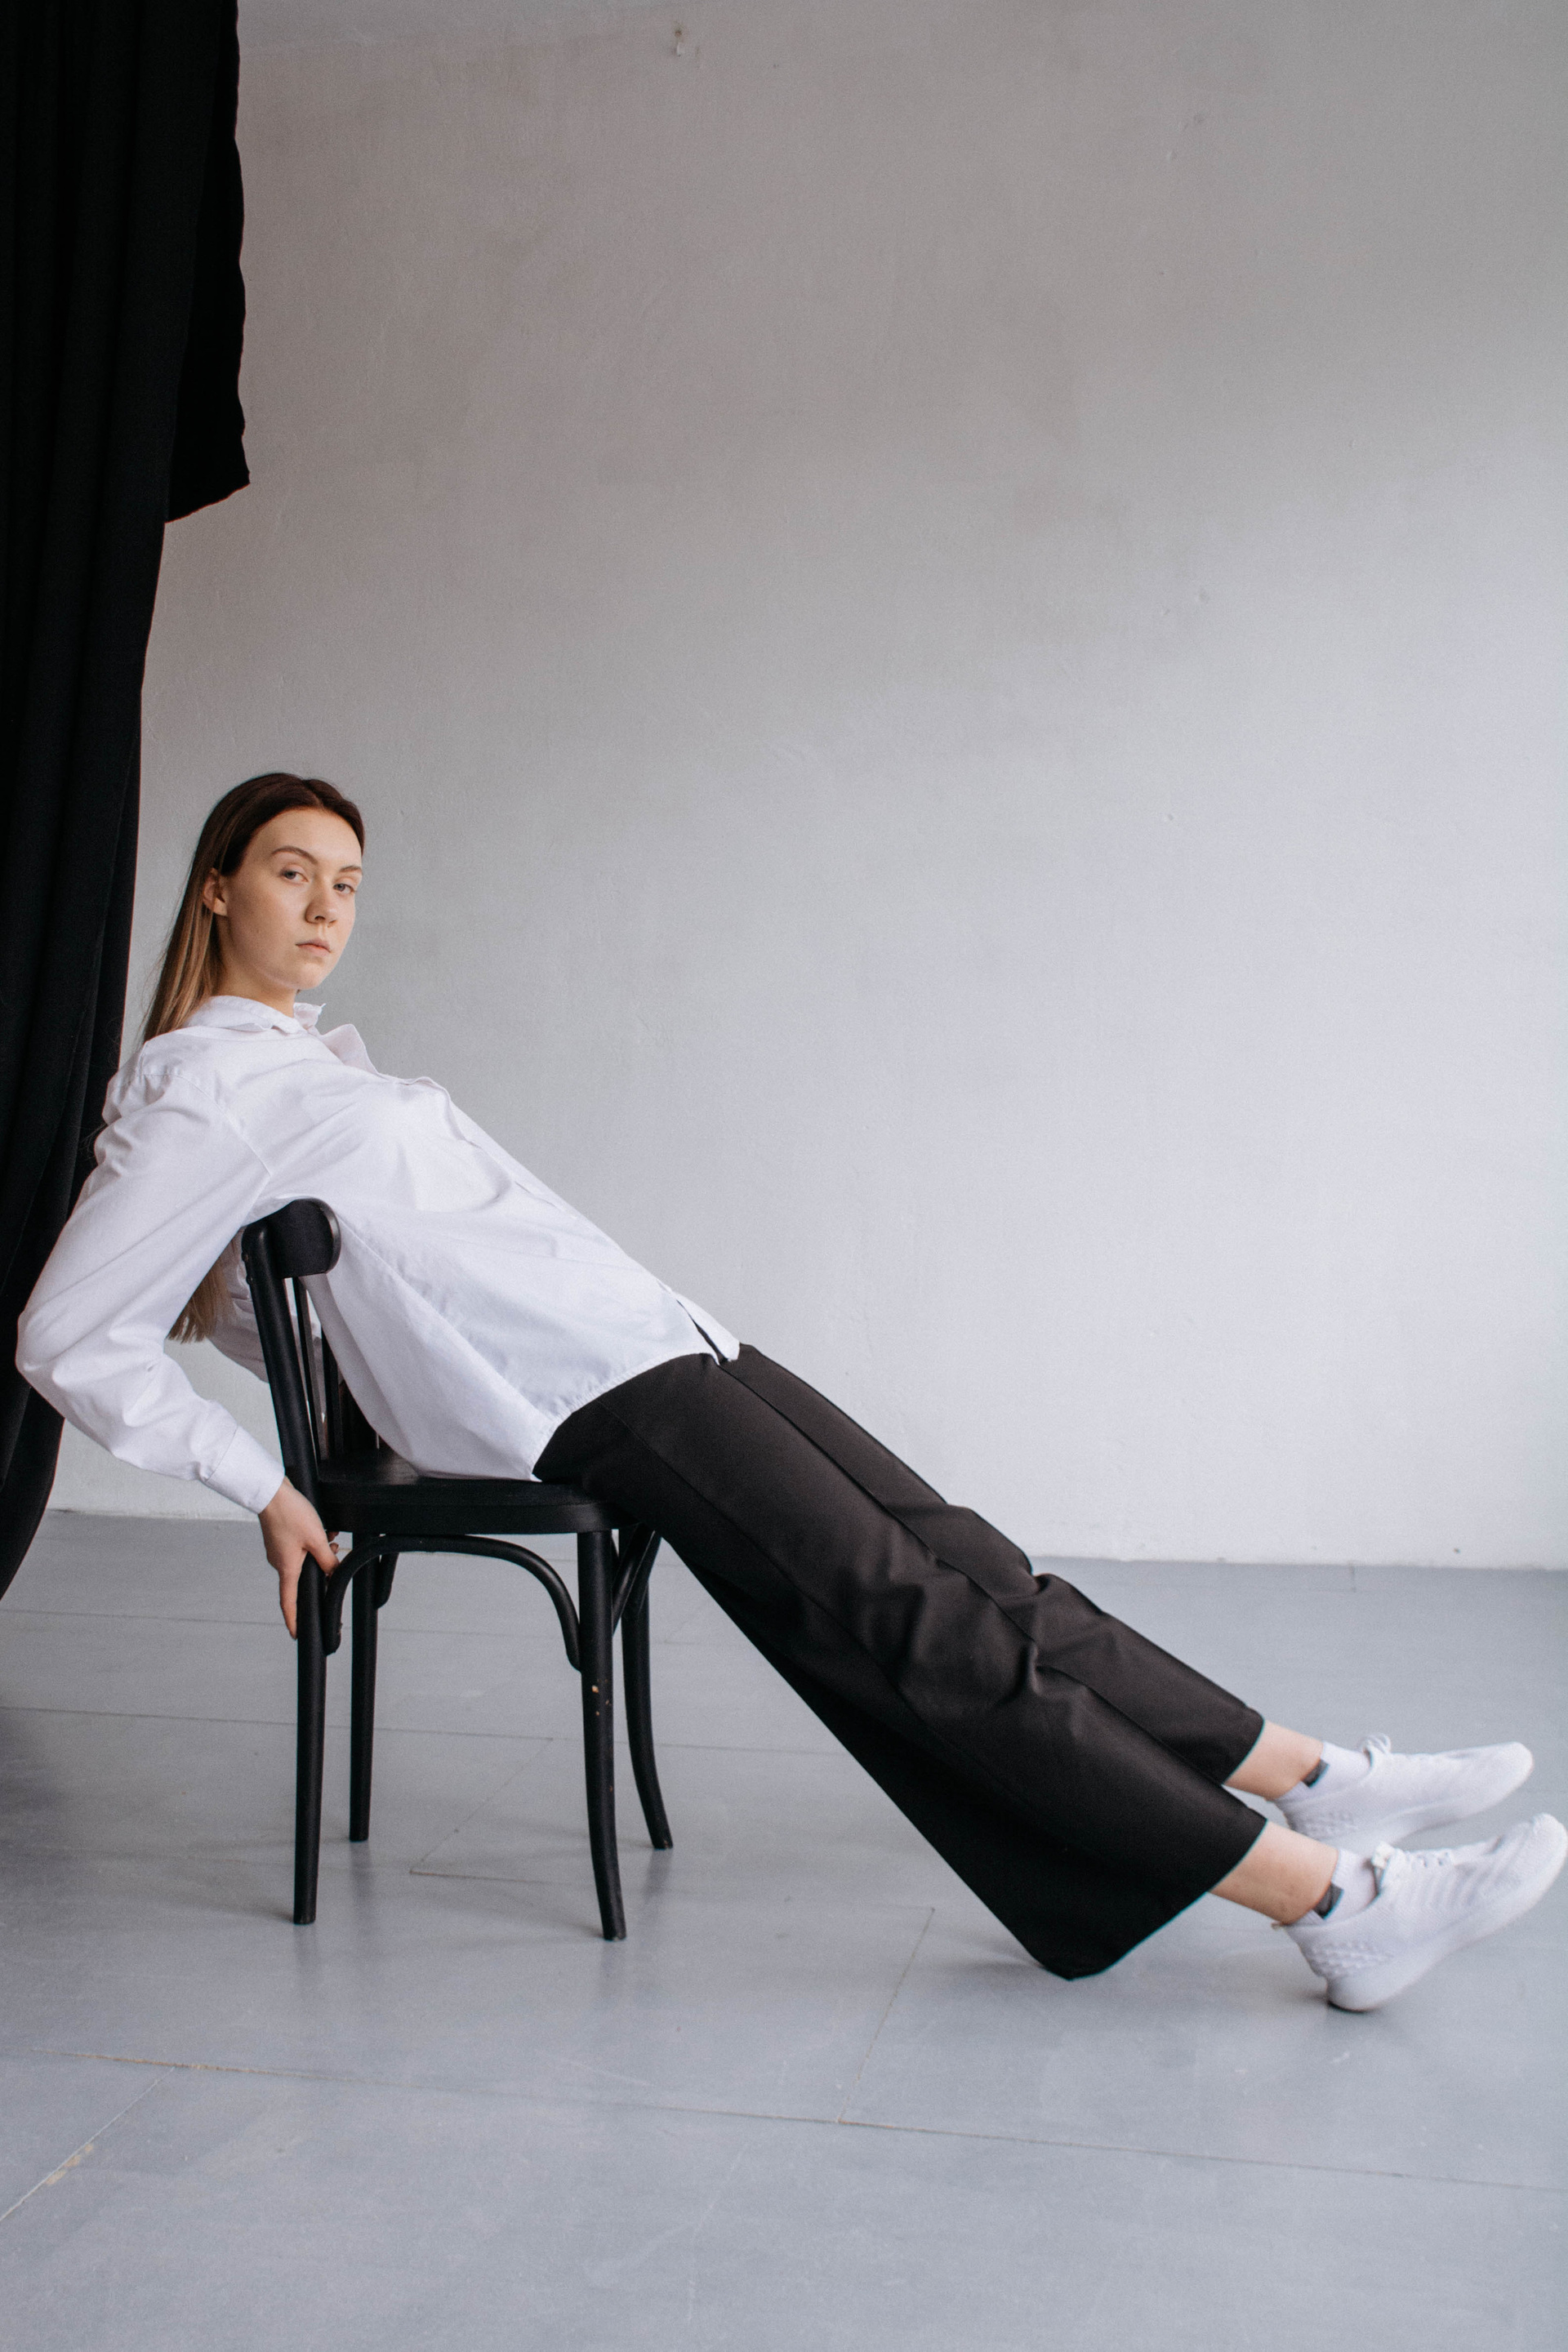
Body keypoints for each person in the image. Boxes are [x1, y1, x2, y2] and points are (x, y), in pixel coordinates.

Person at [16, 772, 1563, 2013]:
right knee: (916, 1627)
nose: (324, 909)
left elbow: (286, 1311)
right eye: (292, 872)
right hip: (576, 1395)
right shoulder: (204, 1088)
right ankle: (1334, 1904)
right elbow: (72, 1333)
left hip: (653, 1337)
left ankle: (1318, 1779)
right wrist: (266, 1480)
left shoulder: (302, 1065)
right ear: (216, 888)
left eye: (348, 883)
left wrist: (336, 1370)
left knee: (973, 1567)